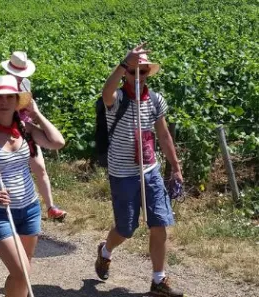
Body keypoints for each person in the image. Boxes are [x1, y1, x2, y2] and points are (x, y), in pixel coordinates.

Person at [94, 42, 184, 297]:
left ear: (147, 74)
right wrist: (124, 63)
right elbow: (106, 92)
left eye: (142, 71)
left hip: (150, 170)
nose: (137, 76)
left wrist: (175, 167)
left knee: (159, 223)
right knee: (126, 229)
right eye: (133, 71)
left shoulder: (155, 100)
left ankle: (158, 280)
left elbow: (164, 136)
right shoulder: (118, 99)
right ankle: (105, 251)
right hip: (123, 173)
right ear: (125, 73)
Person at [0, 75, 65, 297]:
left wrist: (37, 114)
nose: (4, 102)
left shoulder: (25, 129)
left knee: (24, 270)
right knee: (22, 270)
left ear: (17, 101)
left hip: (30, 209)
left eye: (9, 97)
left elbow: (58, 142)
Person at [2, 51, 68, 221]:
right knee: (10, 171)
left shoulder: (26, 84)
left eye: (21, 74)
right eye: (16, 74)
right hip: (8, 133)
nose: (19, 77)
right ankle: (9, 208)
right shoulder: (2, 85)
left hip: (27, 129)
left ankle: (51, 207)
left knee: (40, 168)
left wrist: (34, 114)